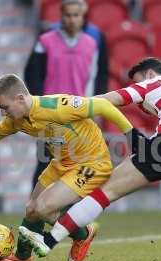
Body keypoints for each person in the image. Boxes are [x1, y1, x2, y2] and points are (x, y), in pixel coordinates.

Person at [18, 57, 161, 261]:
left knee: (107, 191)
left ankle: (48, 241)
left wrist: (73, 107)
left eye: (137, 81)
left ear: (150, 74)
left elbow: (106, 100)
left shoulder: (152, 82)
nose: (141, 107)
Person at [0, 74, 134, 261]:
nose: (3, 113)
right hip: (61, 163)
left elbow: (103, 105)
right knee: (32, 209)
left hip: (91, 163)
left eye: (4, 107)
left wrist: (131, 135)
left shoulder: (57, 106)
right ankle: (23, 256)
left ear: (20, 98)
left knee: (43, 208)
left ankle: (83, 234)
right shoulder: (17, 119)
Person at [24, 0, 108, 189]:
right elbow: (32, 73)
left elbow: (97, 77)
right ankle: (34, 210)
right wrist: (39, 106)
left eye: (76, 15)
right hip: (50, 113)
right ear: (61, 16)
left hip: (79, 113)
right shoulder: (45, 41)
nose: (71, 20)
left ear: (82, 18)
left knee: (79, 165)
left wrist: (95, 107)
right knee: (46, 163)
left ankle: (73, 216)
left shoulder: (92, 44)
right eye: (68, 15)